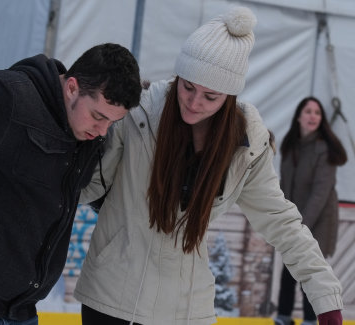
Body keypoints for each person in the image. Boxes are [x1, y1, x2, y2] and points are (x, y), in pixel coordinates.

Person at [74, 7, 343, 325]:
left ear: (229, 96)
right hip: (111, 296)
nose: (194, 101)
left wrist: (324, 294)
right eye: (187, 87)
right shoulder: (139, 113)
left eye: (210, 96)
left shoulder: (244, 143)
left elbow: (280, 220)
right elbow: (90, 183)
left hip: (185, 308)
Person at [0, 43, 141, 325]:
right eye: (98, 116)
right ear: (72, 88)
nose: (102, 130)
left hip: (22, 310)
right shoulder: (8, 94)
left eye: (112, 122)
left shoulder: (88, 135)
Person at [274, 97, 347, 325]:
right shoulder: (290, 147)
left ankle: (309, 319)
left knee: (311, 272)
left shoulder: (323, 150)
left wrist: (299, 225)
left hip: (319, 222)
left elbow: (320, 193)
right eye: (308, 111)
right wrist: (283, 218)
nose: (313, 116)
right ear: (298, 117)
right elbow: (284, 185)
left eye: (317, 112)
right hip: (295, 220)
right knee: (288, 269)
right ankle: (283, 316)